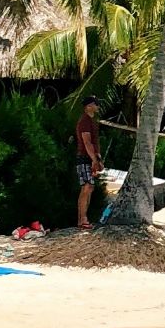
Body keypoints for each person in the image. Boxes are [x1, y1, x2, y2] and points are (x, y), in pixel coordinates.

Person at [74, 97, 103, 229]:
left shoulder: (92, 121)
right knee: (86, 187)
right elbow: (87, 142)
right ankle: (82, 219)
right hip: (84, 158)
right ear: (89, 106)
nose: (98, 106)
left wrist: (98, 159)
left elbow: (95, 143)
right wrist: (94, 160)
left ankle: (83, 218)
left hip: (90, 157)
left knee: (89, 187)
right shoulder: (85, 121)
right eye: (95, 104)